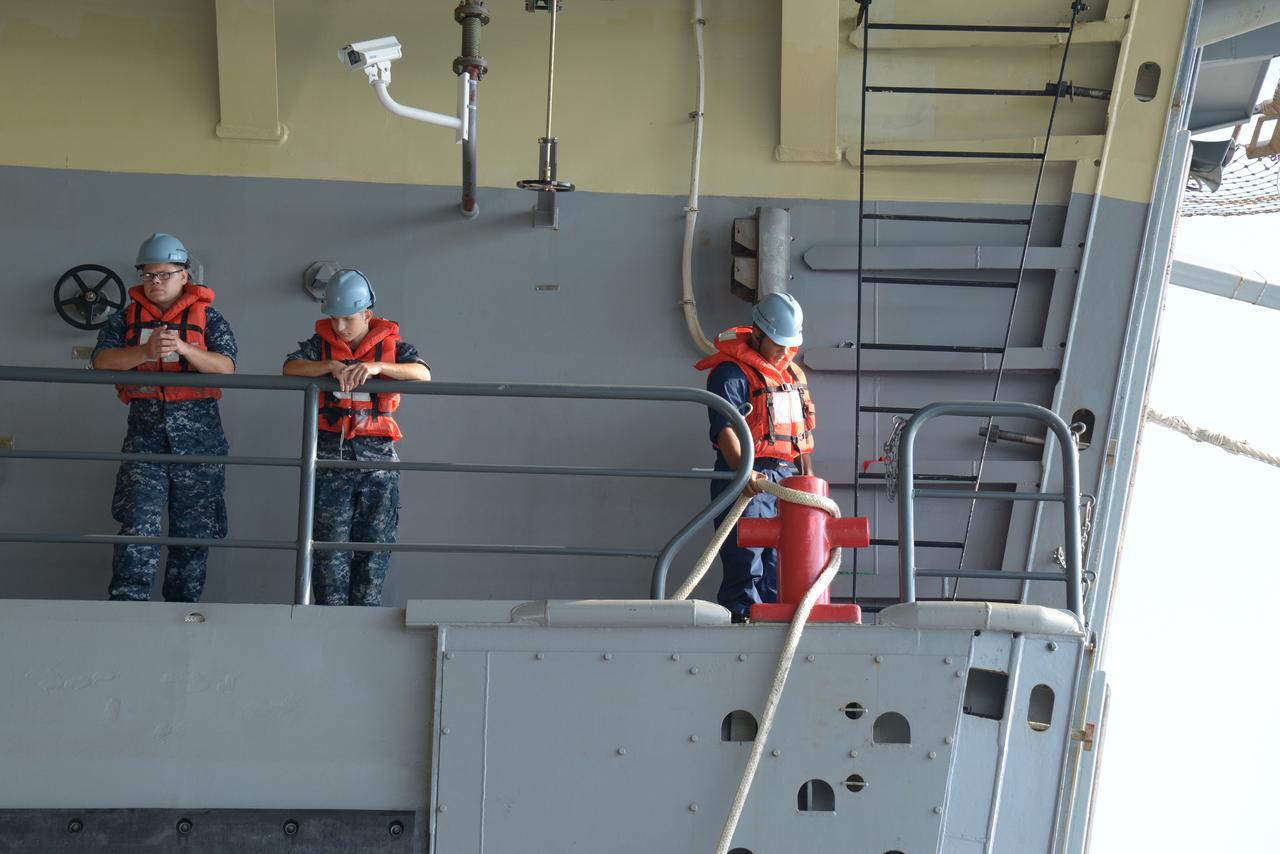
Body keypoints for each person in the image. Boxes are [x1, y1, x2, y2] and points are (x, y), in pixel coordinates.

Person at [92, 232, 237, 602]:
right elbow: (102, 361)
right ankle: (127, 608)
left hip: (199, 445)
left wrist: (185, 348)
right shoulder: (127, 318)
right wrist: (144, 351)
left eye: (164, 274)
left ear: (184, 276)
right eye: (148, 275)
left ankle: (180, 615)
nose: (155, 282)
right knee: (138, 527)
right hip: (145, 444)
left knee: (192, 537)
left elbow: (226, 367)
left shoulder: (209, 317)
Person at [282, 270, 431, 606]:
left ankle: (363, 630)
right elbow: (290, 368)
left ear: (367, 314)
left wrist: (378, 368)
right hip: (330, 464)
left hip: (377, 466)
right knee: (328, 559)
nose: (339, 327)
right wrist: (329, 367)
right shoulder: (318, 348)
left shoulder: (394, 348)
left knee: (373, 557)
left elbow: (422, 373)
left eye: (347, 319)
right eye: (333, 319)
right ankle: (326, 632)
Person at [695, 292, 816, 622]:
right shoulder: (730, 374)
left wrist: (807, 485)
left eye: (788, 345)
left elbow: (802, 439)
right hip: (747, 480)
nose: (783, 351)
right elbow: (725, 430)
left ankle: (775, 625)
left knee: (781, 565)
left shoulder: (790, 376)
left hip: (786, 479)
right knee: (746, 561)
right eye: (777, 343)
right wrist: (744, 473)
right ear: (758, 333)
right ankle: (742, 623)